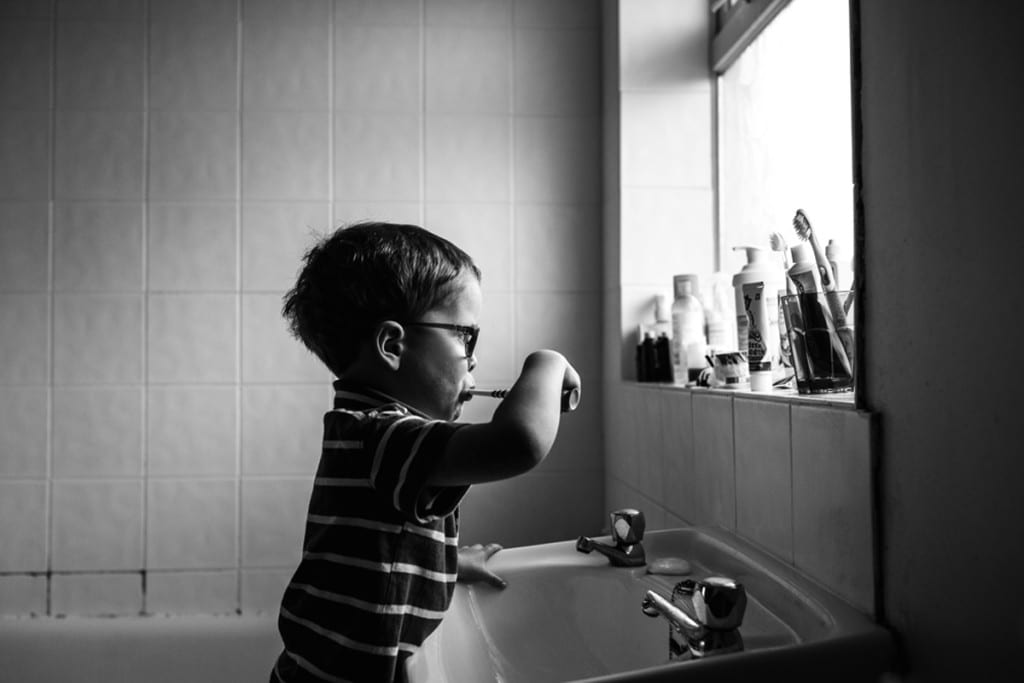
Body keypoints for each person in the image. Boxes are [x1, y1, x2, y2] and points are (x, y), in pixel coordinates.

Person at [269, 221, 581, 683]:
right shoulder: (383, 436)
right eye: (465, 336)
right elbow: (518, 442)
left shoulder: (370, 434)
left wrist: (447, 568)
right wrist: (547, 361)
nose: (473, 358)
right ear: (393, 345)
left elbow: (381, 557)